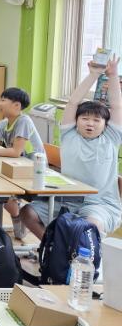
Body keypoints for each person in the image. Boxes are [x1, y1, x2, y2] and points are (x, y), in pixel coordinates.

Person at [21, 57, 122, 239]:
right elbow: (73, 103)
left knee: (89, 226)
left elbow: (116, 106)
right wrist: (93, 75)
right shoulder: (69, 135)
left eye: (96, 120)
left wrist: (113, 76)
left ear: (105, 125)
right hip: (65, 199)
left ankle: (79, 254)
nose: (90, 123)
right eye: (85, 118)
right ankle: (52, 248)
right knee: (28, 213)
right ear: (76, 121)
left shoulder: (111, 138)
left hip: (99, 204)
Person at [0, 87, 45, 238]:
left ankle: (18, 224)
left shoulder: (24, 121)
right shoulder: (3, 123)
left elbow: (15, 152)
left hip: (34, 170)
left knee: (2, 194)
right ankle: (17, 223)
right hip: (16, 167)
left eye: (3, 100)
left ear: (17, 105)